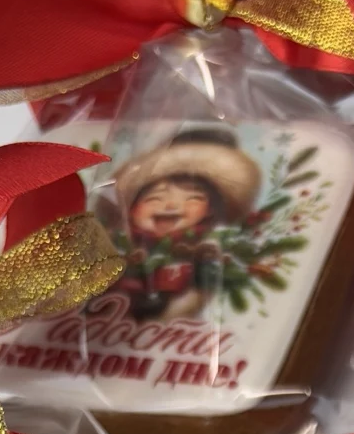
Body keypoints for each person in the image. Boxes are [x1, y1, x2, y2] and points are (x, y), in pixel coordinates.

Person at [111, 125, 263, 321]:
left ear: (210, 210)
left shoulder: (204, 245)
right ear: (131, 209)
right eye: (154, 199)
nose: (170, 206)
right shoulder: (120, 242)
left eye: (191, 198)